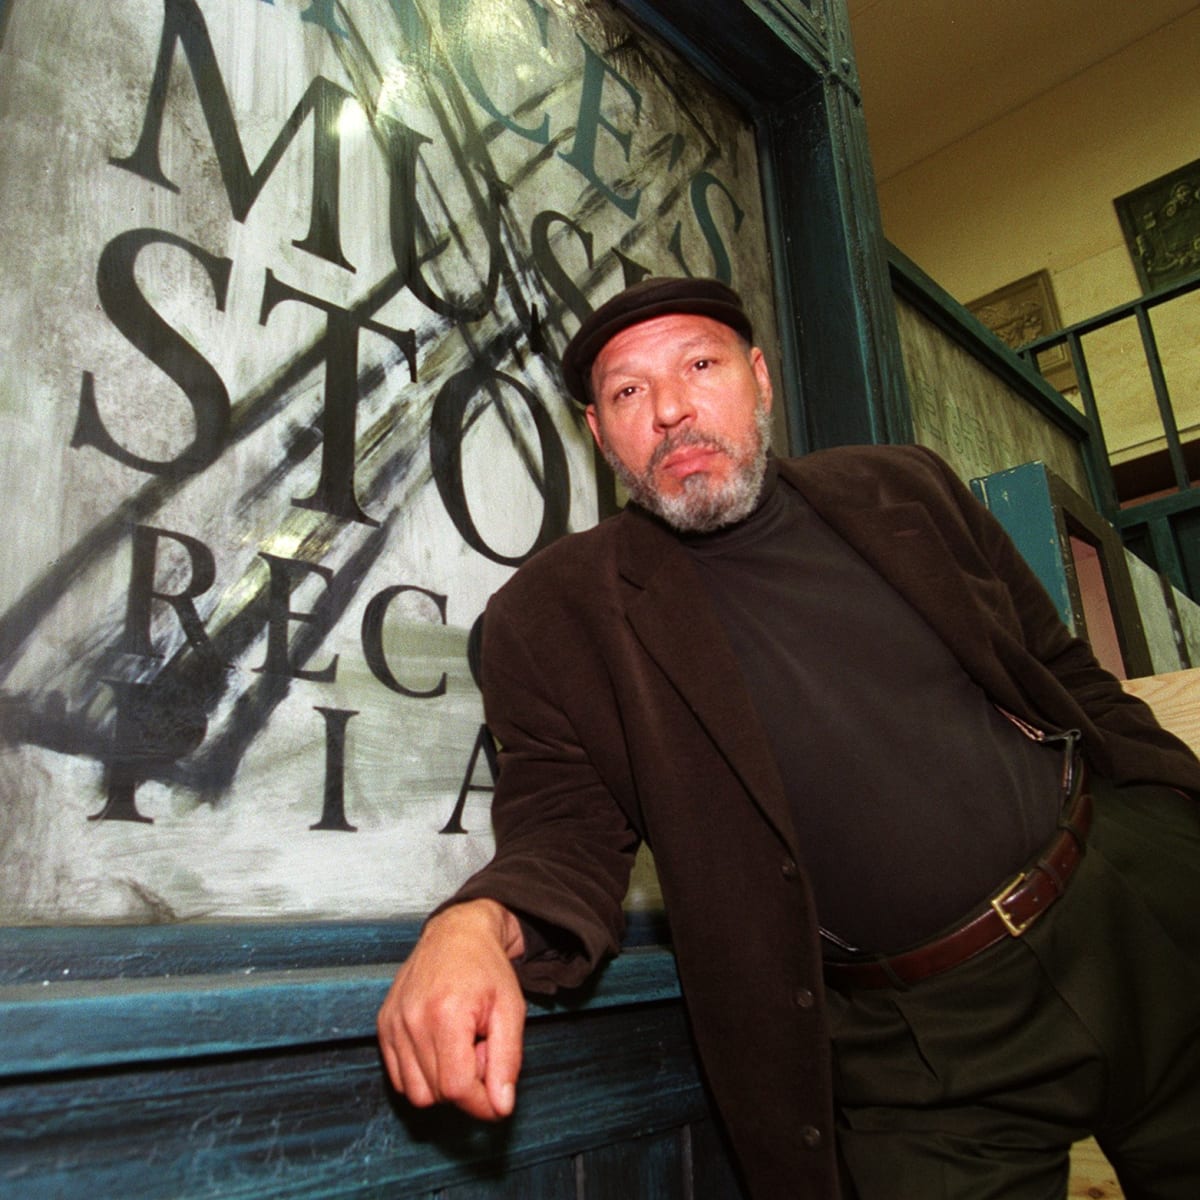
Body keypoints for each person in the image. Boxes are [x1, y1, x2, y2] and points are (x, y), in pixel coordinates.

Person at [377, 276, 1200, 1199]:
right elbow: (562, 832)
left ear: (758, 378)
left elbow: (1060, 665)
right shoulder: (553, 621)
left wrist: (1175, 810)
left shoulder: (905, 488)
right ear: (599, 433)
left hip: (1137, 920)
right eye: (629, 393)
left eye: (699, 364)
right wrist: (471, 923)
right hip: (921, 1058)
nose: (674, 410)